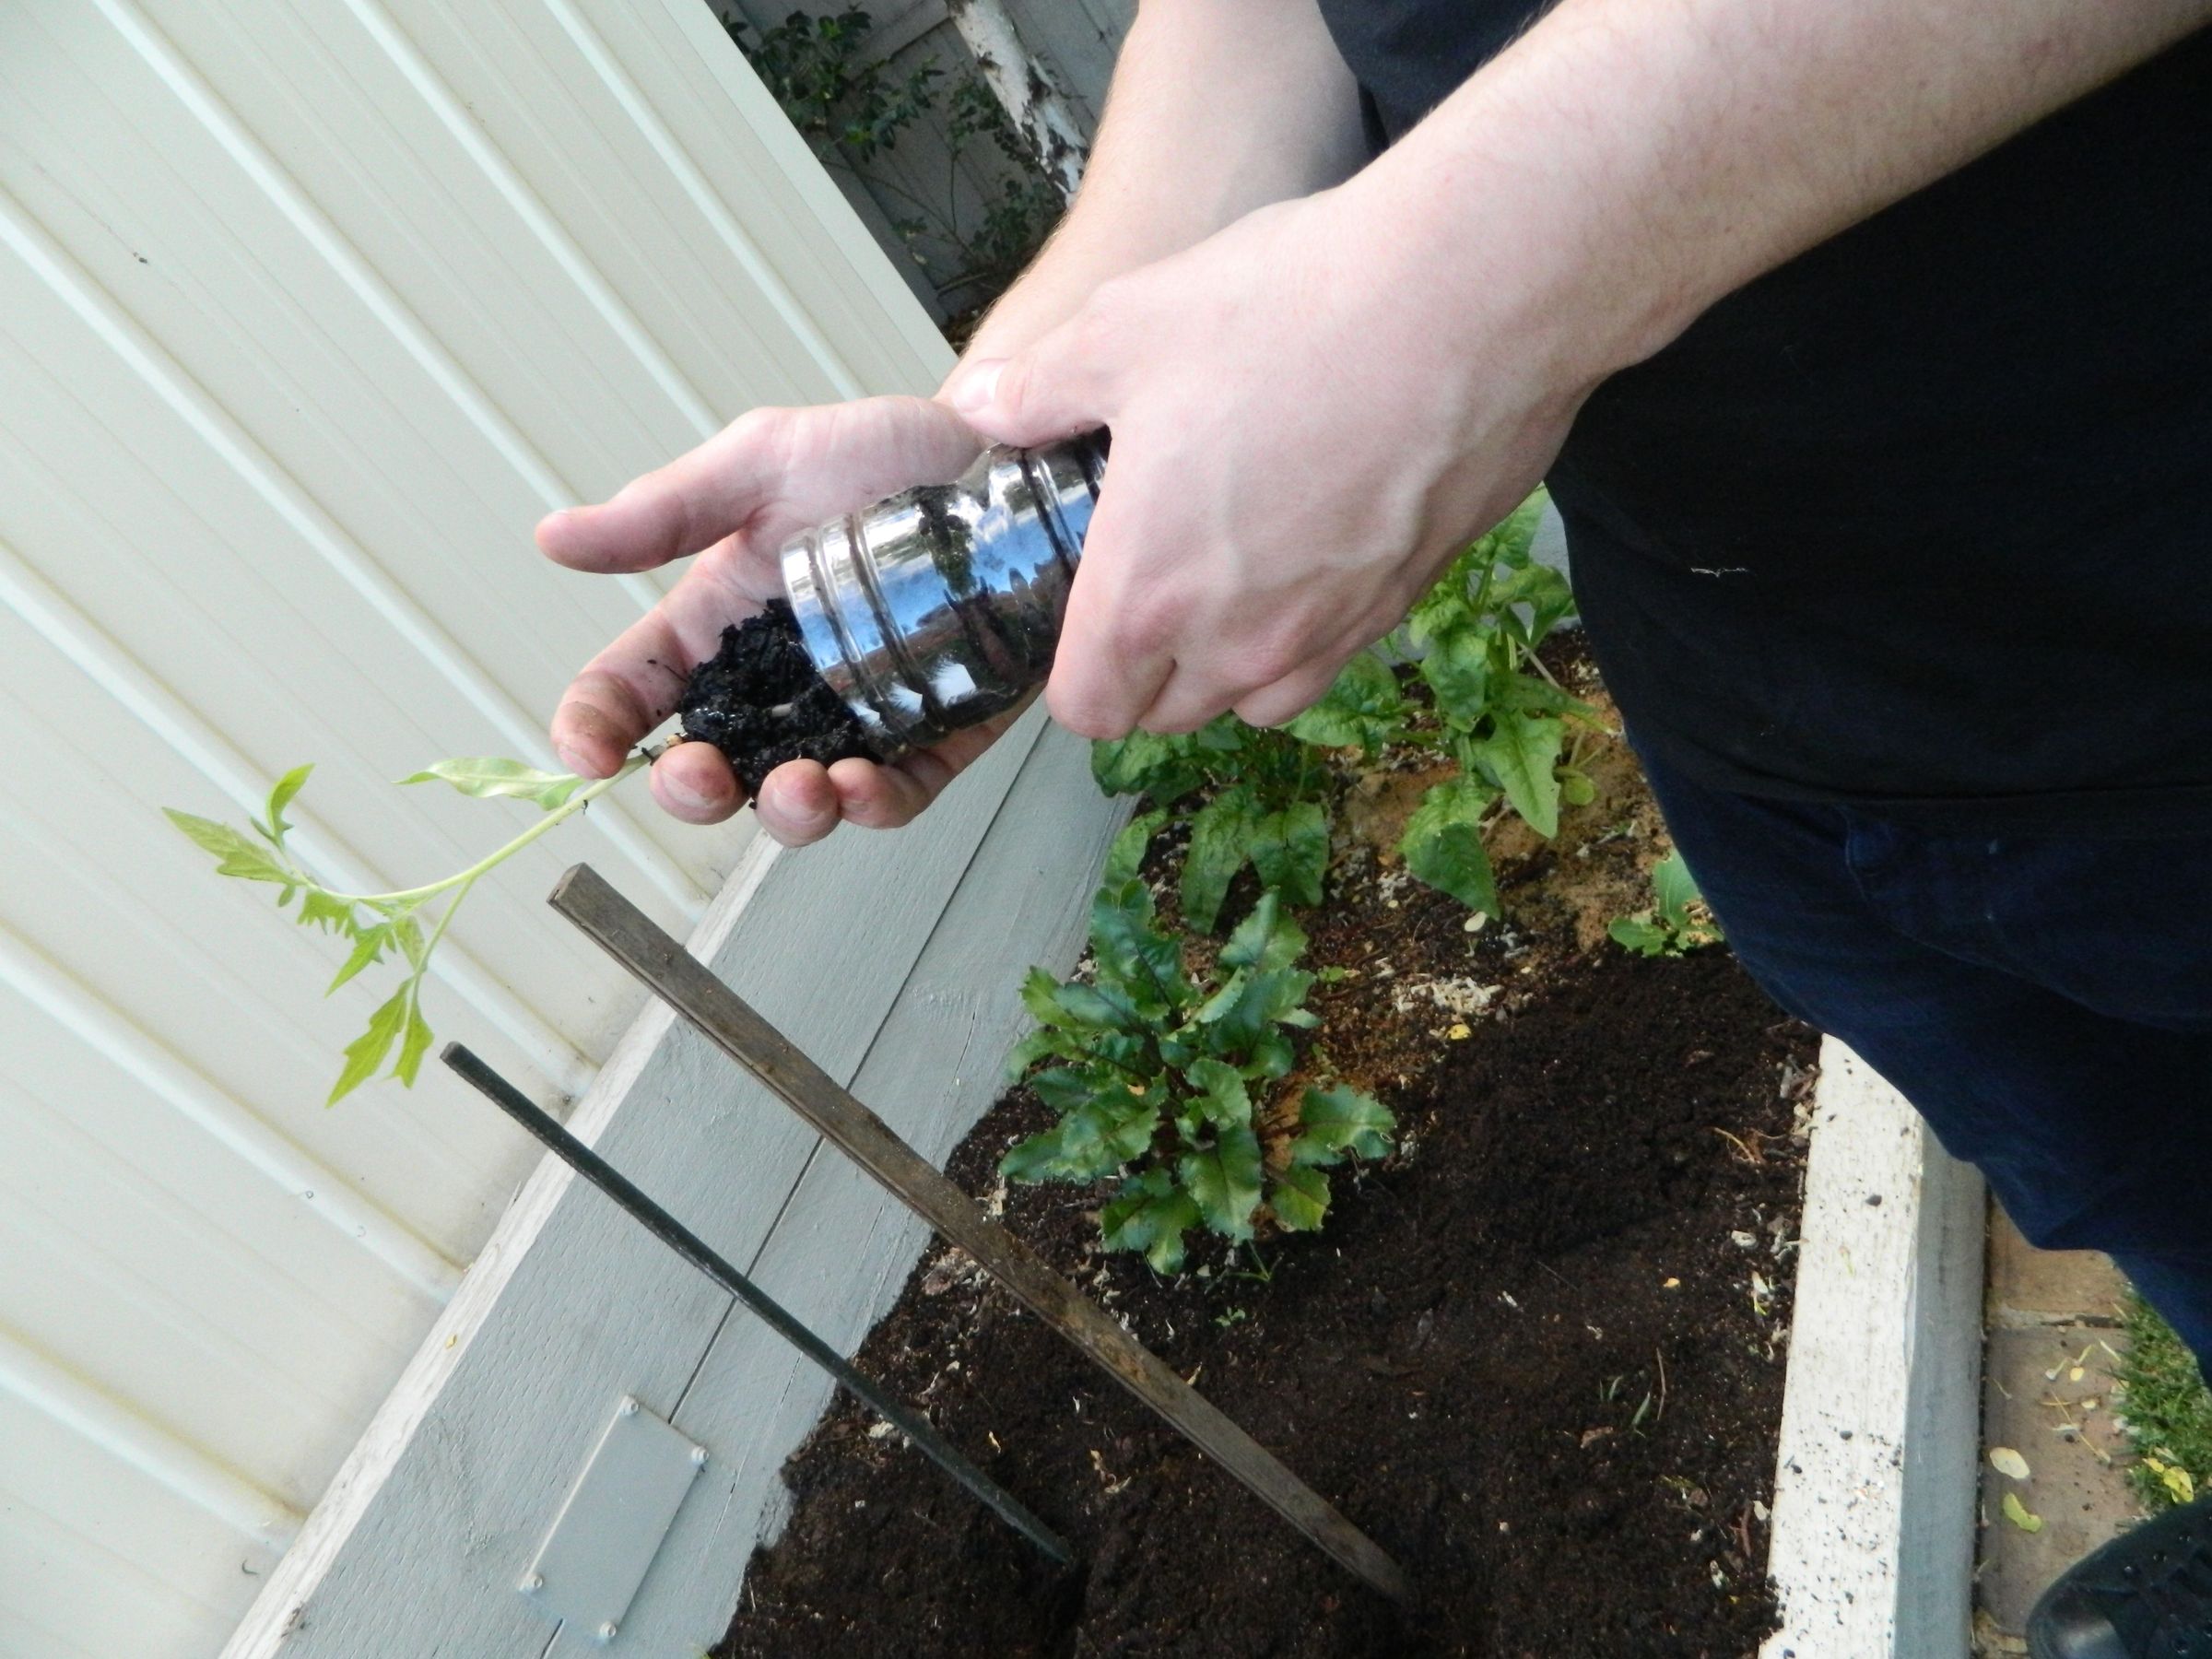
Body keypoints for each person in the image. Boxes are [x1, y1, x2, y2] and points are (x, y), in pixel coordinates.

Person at [535, 4, 2212, 1652]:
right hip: (1762, 693)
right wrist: (1001, 462)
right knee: (2140, 1181)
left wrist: (1447, 294)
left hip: (2140, 589)